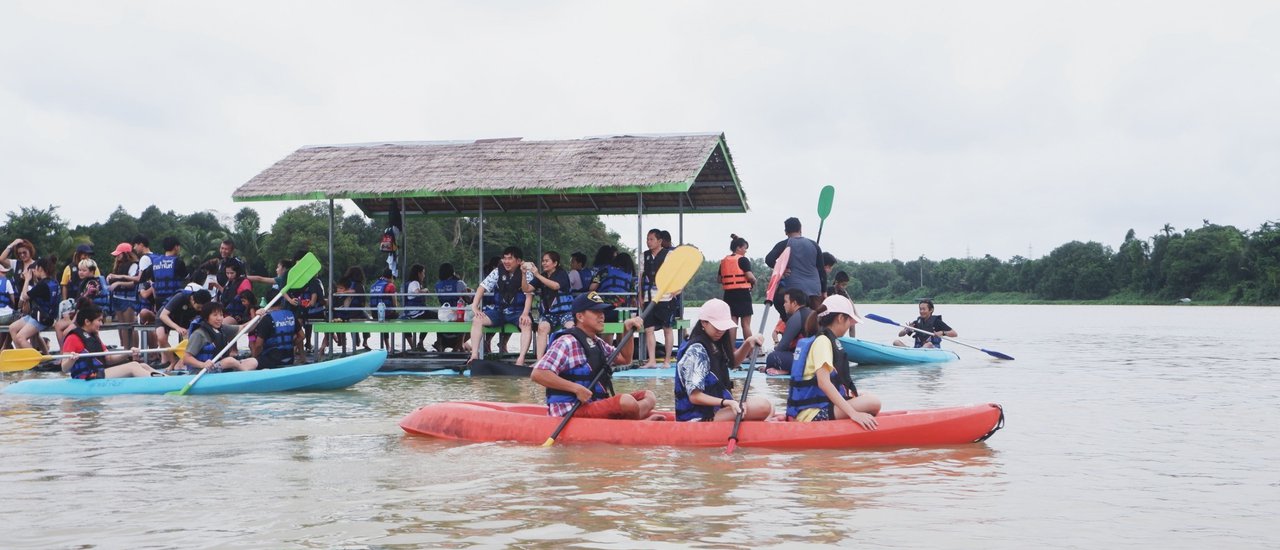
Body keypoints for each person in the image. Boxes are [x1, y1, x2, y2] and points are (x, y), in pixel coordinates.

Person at [530, 291, 658, 420]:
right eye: (596, 312)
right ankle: (638, 423)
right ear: (580, 316)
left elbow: (625, 359)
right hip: (571, 411)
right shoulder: (566, 342)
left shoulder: (597, 343)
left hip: (593, 405)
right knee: (626, 401)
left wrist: (626, 329)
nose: (602, 316)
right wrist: (576, 389)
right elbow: (538, 374)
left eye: (602, 312)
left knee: (649, 396)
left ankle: (634, 417)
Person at [787, 295, 880, 428]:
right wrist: (853, 413)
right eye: (849, 321)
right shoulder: (823, 342)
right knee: (873, 402)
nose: (849, 326)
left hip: (813, 410)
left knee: (866, 396)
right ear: (841, 318)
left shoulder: (821, 339)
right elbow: (823, 383)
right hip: (813, 415)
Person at [674, 299, 772, 422]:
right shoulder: (696, 350)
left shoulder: (714, 342)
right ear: (704, 323)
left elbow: (733, 363)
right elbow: (695, 396)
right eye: (717, 326)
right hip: (697, 417)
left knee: (770, 407)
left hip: (716, 410)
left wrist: (748, 343)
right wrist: (727, 402)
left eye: (723, 327)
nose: (721, 331)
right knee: (763, 407)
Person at [467, 247, 534, 366]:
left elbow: (529, 296)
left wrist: (525, 314)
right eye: (504, 258)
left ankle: (521, 359)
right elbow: (482, 287)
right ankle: (474, 356)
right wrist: (475, 307)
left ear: (518, 261)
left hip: (517, 311)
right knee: (477, 319)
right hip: (499, 311)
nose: (506, 261)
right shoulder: (497, 271)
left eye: (510, 259)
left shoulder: (526, 273)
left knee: (526, 323)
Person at [60, 303, 164, 379]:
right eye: (99, 320)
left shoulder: (94, 336)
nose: (101, 324)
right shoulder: (72, 338)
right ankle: (160, 383)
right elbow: (64, 368)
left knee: (143, 365)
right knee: (133, 366)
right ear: (87, 321)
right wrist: (71, 360)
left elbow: (108, 358)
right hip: (87, 377)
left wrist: (128, 353)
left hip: (98, 373)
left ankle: (168, 379)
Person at [764, 217, 827, 317]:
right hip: (814, 289)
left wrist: (782, 270)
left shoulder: (784, 244)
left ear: (785, 232)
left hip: (794, 290)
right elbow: (821, 270)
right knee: (814, 319)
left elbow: (769, 259)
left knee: (793, 318)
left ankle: (787, 323)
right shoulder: (814, 245)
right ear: (800, 229)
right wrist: (824, 291)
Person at [179, 302, 259, 373]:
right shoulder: (199, 334)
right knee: (230, 360)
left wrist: (258, 317)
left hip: (220, 366)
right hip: (201, 371)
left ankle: (240, 371)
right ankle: (244, 373)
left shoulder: (222, 329)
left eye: (221, 315)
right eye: (215, 315)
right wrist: (203, 364)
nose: (219, 318)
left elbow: (245, 328)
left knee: (253, 361)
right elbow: (186, 358)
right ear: (206, 317)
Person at [640, 228, 676, 368]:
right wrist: (640, 296)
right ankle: (652, 360)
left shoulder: (669, 255)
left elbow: (677, 274)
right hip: (650, 297)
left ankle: (667, 360)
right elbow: (641, 277)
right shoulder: (644, 256)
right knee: (649, 329)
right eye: (647, 239)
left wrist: (678, 289)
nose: (648, 242)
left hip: (666, 296)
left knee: (667, 328)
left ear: (659, 241)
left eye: (651, 239)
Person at [529, 251, 575, 360]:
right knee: (542, 327)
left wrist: (537, 275)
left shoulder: (562, 274)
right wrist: (522, 274)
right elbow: (527, 289)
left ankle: (572, 358)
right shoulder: (541, 276)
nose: (544, 263)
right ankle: (540, 361)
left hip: (565, 312)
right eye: (543, 261)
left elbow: (555, 286)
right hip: (549, 314)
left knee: (571, 327)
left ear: (555, 263)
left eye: (547, 261)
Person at [9, 256, 59, 352]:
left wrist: (27, 280)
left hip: (42, 318)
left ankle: (36, 361)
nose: (34, 271)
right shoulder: (53, 282)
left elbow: (24, 296)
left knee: (20, 337)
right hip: (40, 315)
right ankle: (22, 355)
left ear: (40, 268)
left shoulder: (42, 285)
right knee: (12, 328)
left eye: (35, 269)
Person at [156, 288, 212, 368]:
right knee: (161, 338)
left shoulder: (202, 305)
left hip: (185, 318)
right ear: (193, 300)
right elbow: (163, 315)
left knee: (192, 337)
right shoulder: (180, 297)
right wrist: (177, 327)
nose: (200, 310)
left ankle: (182, 362)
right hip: (167, 316)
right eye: (199, 307)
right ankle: (172, 361)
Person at [764, 289, 811, 375]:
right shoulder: (811, 312)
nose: (784, 304)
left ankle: (787, 370)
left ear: (794, 303)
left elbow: (782, 346)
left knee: (772, 357)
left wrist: (776, 351)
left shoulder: (796, 318)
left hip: (806, 361)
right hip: (812, 358)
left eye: (786, 302)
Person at [251, 290, 303, 369]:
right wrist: (290, 344)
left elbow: (258, 345)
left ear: (267, 302)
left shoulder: (266, 319)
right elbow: (302, 336)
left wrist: (253, 358)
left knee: (249, 362)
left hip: (271, 360)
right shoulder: (291, 315)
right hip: (289, 358)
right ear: (282, 301)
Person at [720, 234, 757, 341]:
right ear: (739, 248)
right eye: (745, 248)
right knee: (746, 325)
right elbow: (750, 276)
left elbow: (719, 279)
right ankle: (750, 351)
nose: (745, 251)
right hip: (743, 294)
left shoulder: (724, 261)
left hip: (729, 295)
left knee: (732, 324)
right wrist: (754, 282)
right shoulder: (743, 260)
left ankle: (731, 350)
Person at [106, 242, 141, 346]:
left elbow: (133, 283)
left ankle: (134, 352)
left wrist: (118, 282)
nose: (117, 257)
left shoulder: (133, 265)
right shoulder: (118, 266)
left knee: (130, 326)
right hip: (117, 298)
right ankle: (126, 350)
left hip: (128, 300)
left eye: (119, 254)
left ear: (126, 254)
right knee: (122, 327)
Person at [433, 263, 471, 352]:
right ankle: (458, 345)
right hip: (457, 314)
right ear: (452, 272)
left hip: (444, 315)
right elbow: (468, 299)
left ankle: (440, 342)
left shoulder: (437, 285)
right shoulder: (459, 283)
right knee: (473, 320)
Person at [369, 269, 398, 349]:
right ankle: (412, 345)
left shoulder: (373, 285)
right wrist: (395, 309)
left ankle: (387, 346)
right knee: (403, 319)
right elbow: (394, 303)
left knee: (383, 322)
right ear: (391, 277)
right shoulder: (390, 286)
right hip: (386, 314)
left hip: (375, 314)